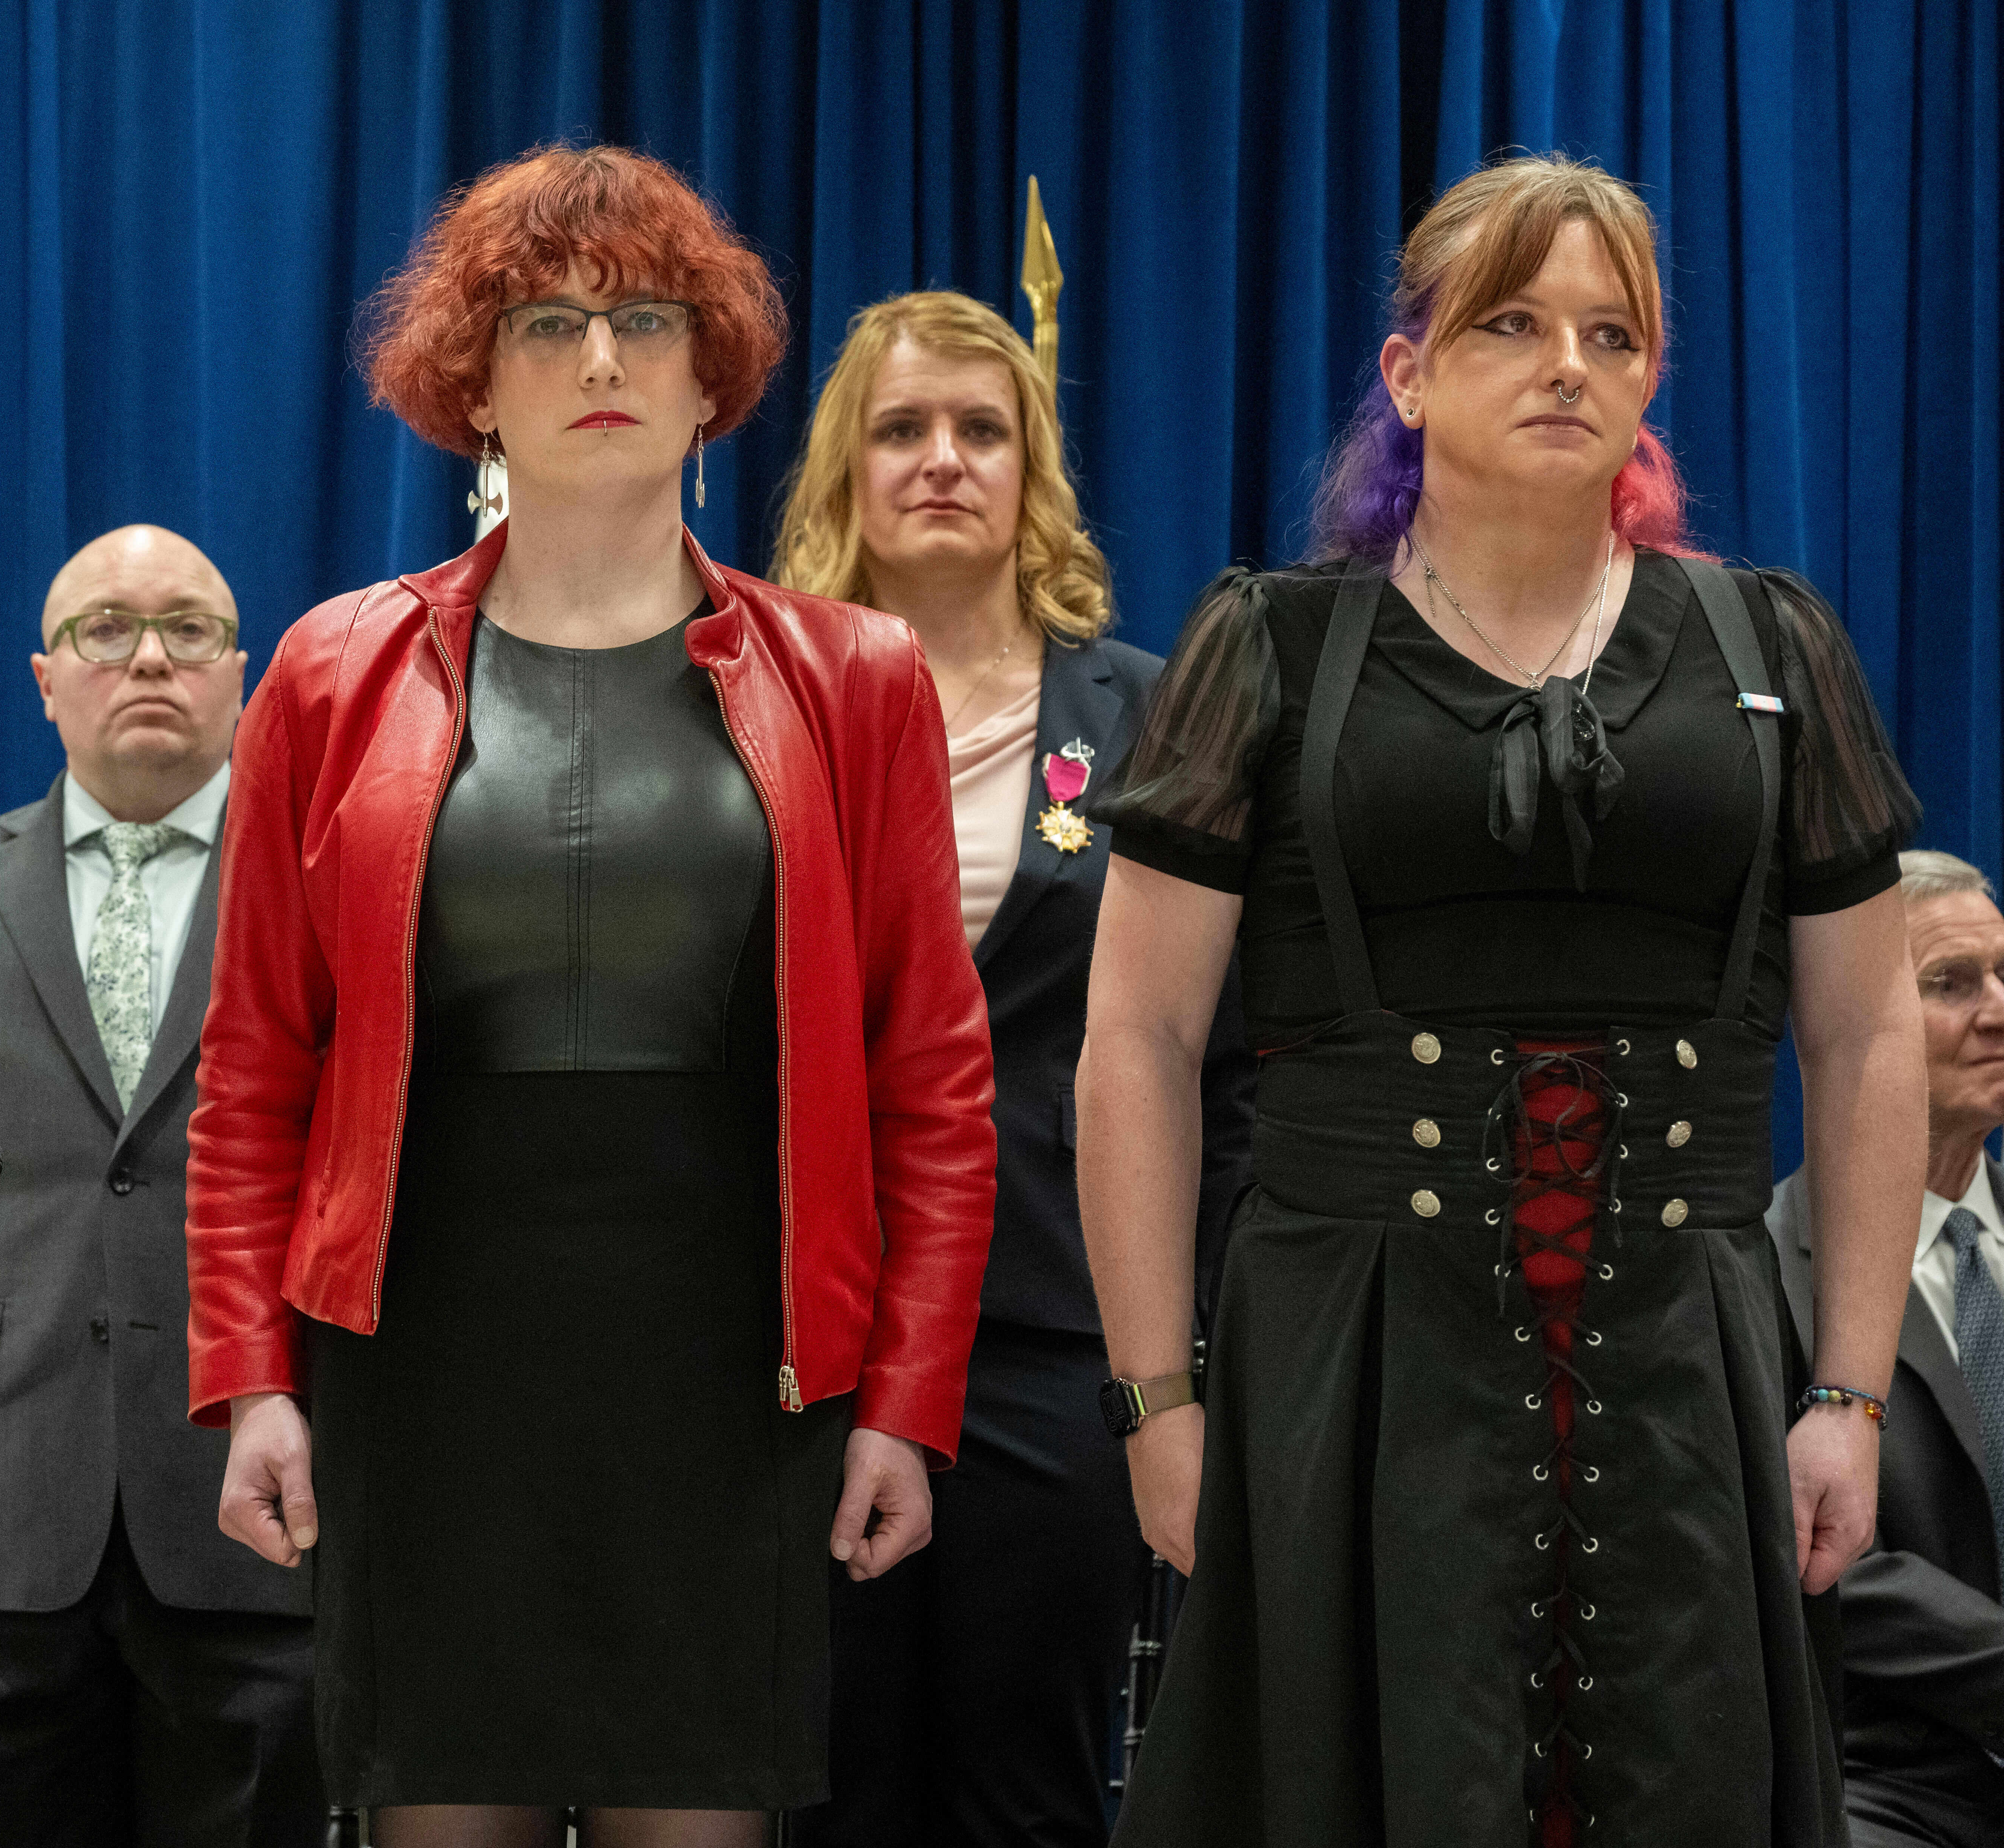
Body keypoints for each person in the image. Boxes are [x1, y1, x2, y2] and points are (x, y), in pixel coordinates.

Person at [1077, 151, 1925, 1847]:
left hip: (1687, 1350)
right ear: (1409, 372)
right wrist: (1158, 1403)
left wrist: (1848, 1392)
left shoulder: (1772, 648)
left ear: (1652, 380)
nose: (1569, 366)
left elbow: (1866, 1029)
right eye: (1515, 324)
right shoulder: (1272, 648)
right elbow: (1138, 1046)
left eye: (1614, 336)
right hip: (1349, 1354)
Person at [185, 143, 998, 1847]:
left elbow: (930, 1081)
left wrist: (908, 1405)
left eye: (645, 319)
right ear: (472, 380)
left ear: (717, 376)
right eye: (549, 325)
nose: (606, 361)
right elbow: (256, 1065)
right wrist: (255, 1377)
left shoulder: (854, 681)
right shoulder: (331, 673)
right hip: (423, 1368)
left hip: (729, 1371)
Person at [768, 290, 1254, 1848]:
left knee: (1034, 1792)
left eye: (984, 431)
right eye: (901, 430)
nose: (941, 461)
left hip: (1061, 1330)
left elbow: (1225, 1060)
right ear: (846, 469)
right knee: (820, 1784)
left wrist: (1193, 1344)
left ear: (1034, 471)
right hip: (805, 1340)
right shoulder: (755, 703)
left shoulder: (1149, 710)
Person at [0, 525, 324, 1847]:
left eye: (190, 630)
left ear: (245, 674)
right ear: (47, 680)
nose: (150, 657)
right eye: (108, 630)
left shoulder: (331, 890)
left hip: (257, 1513)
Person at [1772, 850, 2004, 1848]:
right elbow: (1823, 1560)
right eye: (1949, 986)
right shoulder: (1762, 1266)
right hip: (1889, 1777)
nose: (1995, 1010)